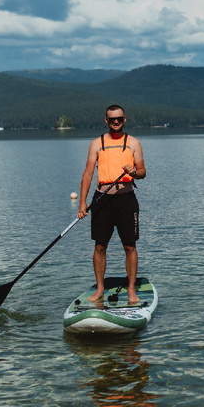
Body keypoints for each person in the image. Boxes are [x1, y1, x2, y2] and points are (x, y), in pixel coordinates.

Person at [78, 104, 146, 305]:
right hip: (102, 200)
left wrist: (133, 172)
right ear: (106, 121)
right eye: (111, 119)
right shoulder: (96, 144)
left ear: (124, 119)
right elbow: (88, 174)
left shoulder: (133, 143)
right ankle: (100, 289)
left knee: (130, 246)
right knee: (99, 246)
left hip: (126, 200)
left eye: (119, 119)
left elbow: (142, 171)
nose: (115, 122)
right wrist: (82, 203)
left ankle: (131, 290)